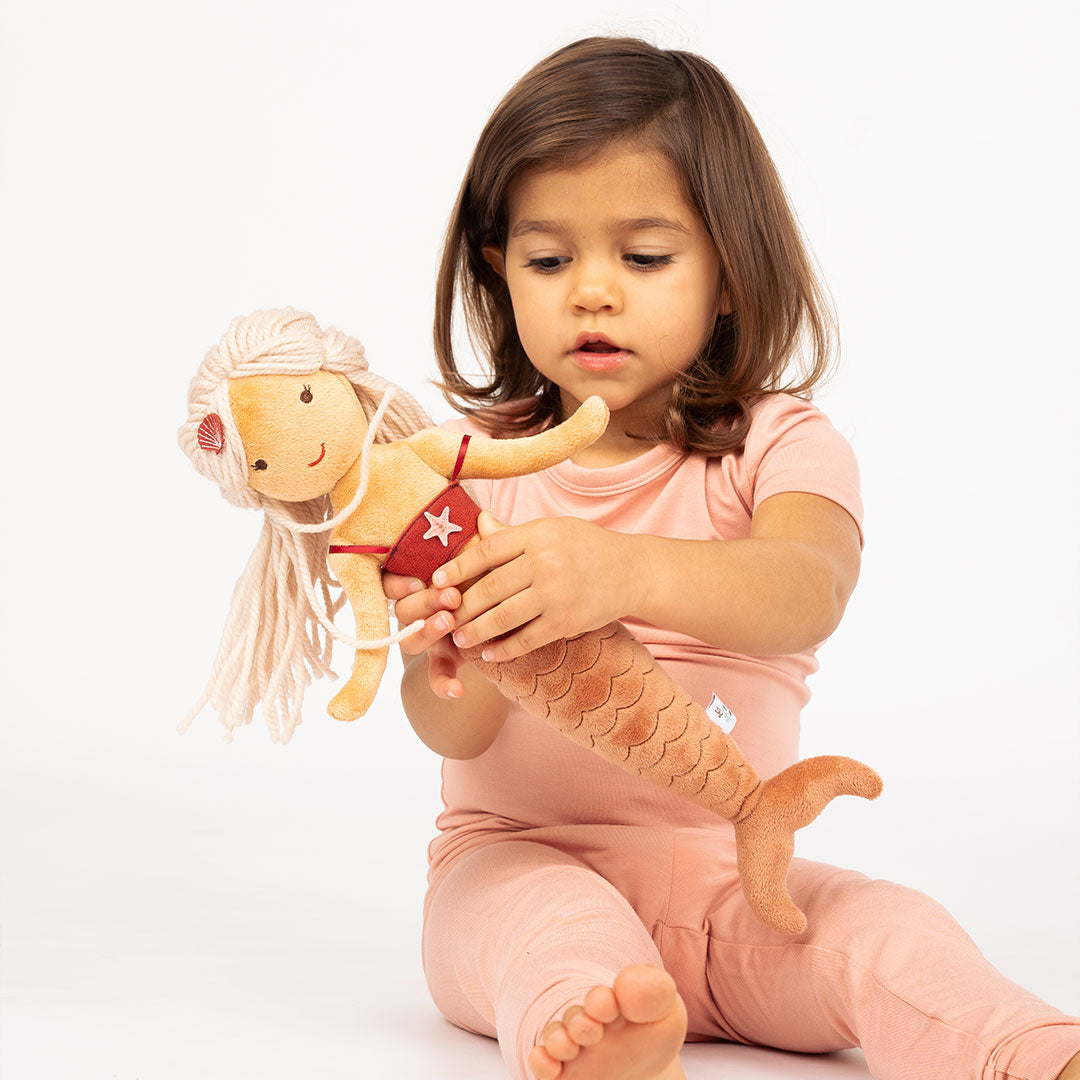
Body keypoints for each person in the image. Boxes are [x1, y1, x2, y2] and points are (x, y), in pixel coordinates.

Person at [382, 36, 1080, 1080]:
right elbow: (447, 719)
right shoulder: (468, 471)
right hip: (514, 861)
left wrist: (626, 574)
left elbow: (810, 589)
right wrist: (459, 664)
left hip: (735, 888)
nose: (593, 293)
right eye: (548, 259)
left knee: (883, 927)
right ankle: (596, 1031)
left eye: (645, 257)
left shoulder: (780, 443)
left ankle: (1021, 1051)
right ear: (497, 270)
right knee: (549, 933)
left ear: (725, 273)